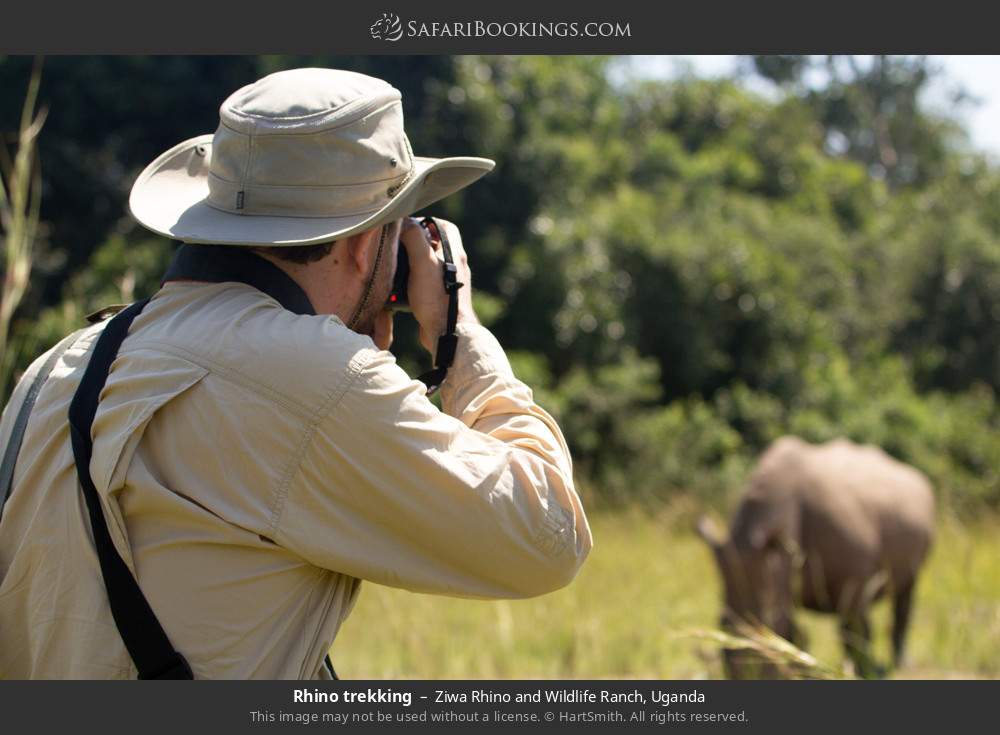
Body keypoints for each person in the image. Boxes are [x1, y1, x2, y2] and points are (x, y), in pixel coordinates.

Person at [0, 68, 592, 679]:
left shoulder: (56, 368)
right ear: (366, 245)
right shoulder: (312, 379)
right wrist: (461, 337)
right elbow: (546, 536)